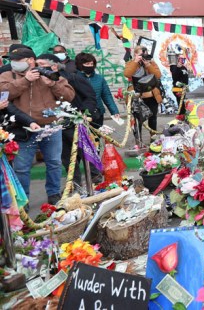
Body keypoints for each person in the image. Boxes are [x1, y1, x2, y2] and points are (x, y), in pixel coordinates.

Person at [0, 47, 75, 204]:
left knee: (54, 163)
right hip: (23, 129)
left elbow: (69, 96)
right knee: (21, 167)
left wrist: (53, 84)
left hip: (50, 126)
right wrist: (25, 80)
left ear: (30, 60)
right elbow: (4, 93)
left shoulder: (48, 73)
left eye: (17, 60)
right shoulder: (8, 75)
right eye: (12, 60)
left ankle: (54, 195)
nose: (13, 63)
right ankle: (23, 201)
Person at [37, 53, 99, 187]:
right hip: (56, 123)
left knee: (84, 151)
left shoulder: (72, 78)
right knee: (66, 156)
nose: (38, 68)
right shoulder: (38, 82)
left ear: (53, 66)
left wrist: (84, 113)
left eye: (41, 65)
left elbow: (90, 96)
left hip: (75, 121)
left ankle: (95, 177)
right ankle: (75, 183)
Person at [75, 52, 120, 128]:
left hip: (98, 112)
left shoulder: (99, 78)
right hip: (81, 114)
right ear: (80, 64)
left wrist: (114, 111)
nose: (90, 66)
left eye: (91, 64)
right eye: (87, 64)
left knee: (97, 137)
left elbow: (106, 95)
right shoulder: (75, 78)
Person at [124, 46, 162, 135]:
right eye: (141, 54)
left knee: (153, 117)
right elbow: (127, 74)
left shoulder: (151, 63)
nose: (144, 56)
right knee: (137, 118)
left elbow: (158, 75)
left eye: (145, 54)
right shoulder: (131, 63)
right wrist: (136, 62)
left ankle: (153, 138)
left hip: (151, 94)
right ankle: (138, 141)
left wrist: (148, 65)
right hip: (137, 95)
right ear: (136, 54)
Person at [169, 51, 191, 117]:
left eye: (183, 59)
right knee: (180, 102)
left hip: (184, 87)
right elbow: (174, 77)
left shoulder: (184, 67)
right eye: (181, 59)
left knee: (184, 103)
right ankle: (181, 115)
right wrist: (177, 68)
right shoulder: (174, 67)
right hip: (178, 88)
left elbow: (186, 77)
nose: (182, 60)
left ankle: (183, 114)